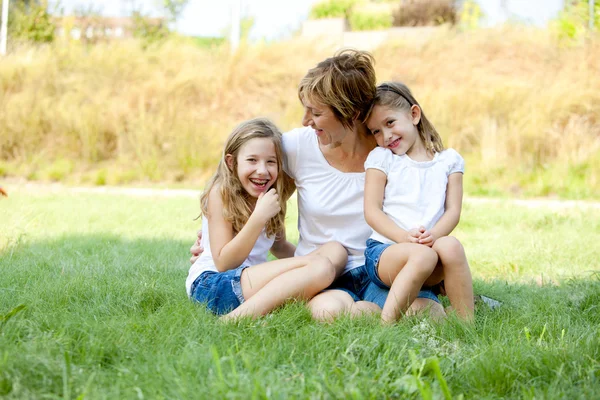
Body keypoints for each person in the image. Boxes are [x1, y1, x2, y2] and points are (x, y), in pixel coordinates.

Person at [191, 50, 445, 321]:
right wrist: (213, 239)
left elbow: (428, 205)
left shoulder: (391, 148)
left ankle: (377, 310)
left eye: (316, 113)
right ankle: (373, 314)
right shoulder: (297, 147)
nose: (305, 121)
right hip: (324, 276)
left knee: (430, 314)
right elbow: (240, 176)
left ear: (351, 113)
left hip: (378, 270)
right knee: (328, 313)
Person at [186, 117, 347, 320]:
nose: (262, 170)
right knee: (322, 266)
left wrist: (308, 268)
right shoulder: (221, 192)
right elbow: (224, 263)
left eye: (270, 161)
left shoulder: (271, 197)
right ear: (231, 162)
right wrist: (258, 217)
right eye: (252, 160)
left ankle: (295, 297)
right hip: (213, 283)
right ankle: (235, 319)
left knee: (336, 252)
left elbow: (279, 248)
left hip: (249, 282)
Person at [363, 82, 474, 322]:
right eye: (376, 131)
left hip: (429, 250)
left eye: (390, 123)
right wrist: (403, 237)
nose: (385, 136)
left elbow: (453, 211)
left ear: (414, 115)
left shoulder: (449, 161)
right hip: (386, 252)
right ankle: (386, 327)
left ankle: (467, 325)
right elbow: (372, 211)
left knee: (451, 246)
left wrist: (434, 236)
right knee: (422, 256)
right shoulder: (382, 158)